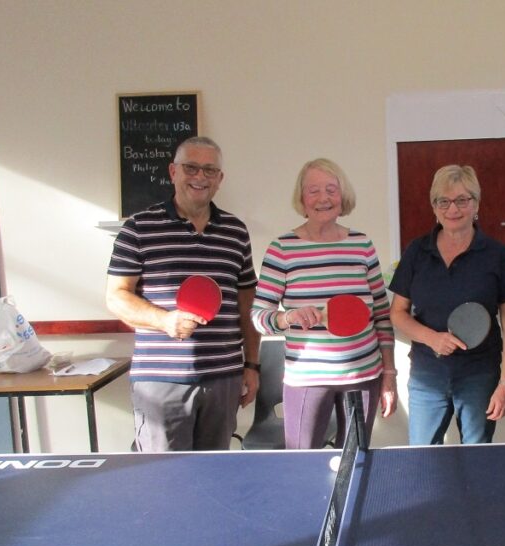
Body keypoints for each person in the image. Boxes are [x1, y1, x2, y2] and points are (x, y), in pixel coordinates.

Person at [106, 136, 260, 451]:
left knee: (214, 474)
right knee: (165, 475)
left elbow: (247, 304)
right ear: (173, 172)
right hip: (160, 382)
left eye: (209, 170)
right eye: (191, 167)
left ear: (220, 179)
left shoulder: (236, 232)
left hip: (224, 379)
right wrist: (164, 321)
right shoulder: (138, 228)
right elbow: (116, 297)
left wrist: (252, 365)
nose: (200, 176)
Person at [250, 158, 396, 448]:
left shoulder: (362, 245)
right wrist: (288, 318)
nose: (323, 198)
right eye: (313, 190)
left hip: (363, 376)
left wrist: (389, 374)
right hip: (307, 379)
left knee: (354, 461)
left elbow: (381, 315)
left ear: (343, 197)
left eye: (331, 189)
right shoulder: (282, 249)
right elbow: (258, 316)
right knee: (302, 463)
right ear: (302, 199)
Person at [389, 164, 505, 445]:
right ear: (434, 207)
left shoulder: (496, 255)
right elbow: (398, 313)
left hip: (479, 374)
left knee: (476, 457)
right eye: (444, 201)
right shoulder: (417, 252)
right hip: (427, 374)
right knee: (423, 456)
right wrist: (432, 338)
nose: (453, 209)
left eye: (462, 200)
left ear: (476, 204)